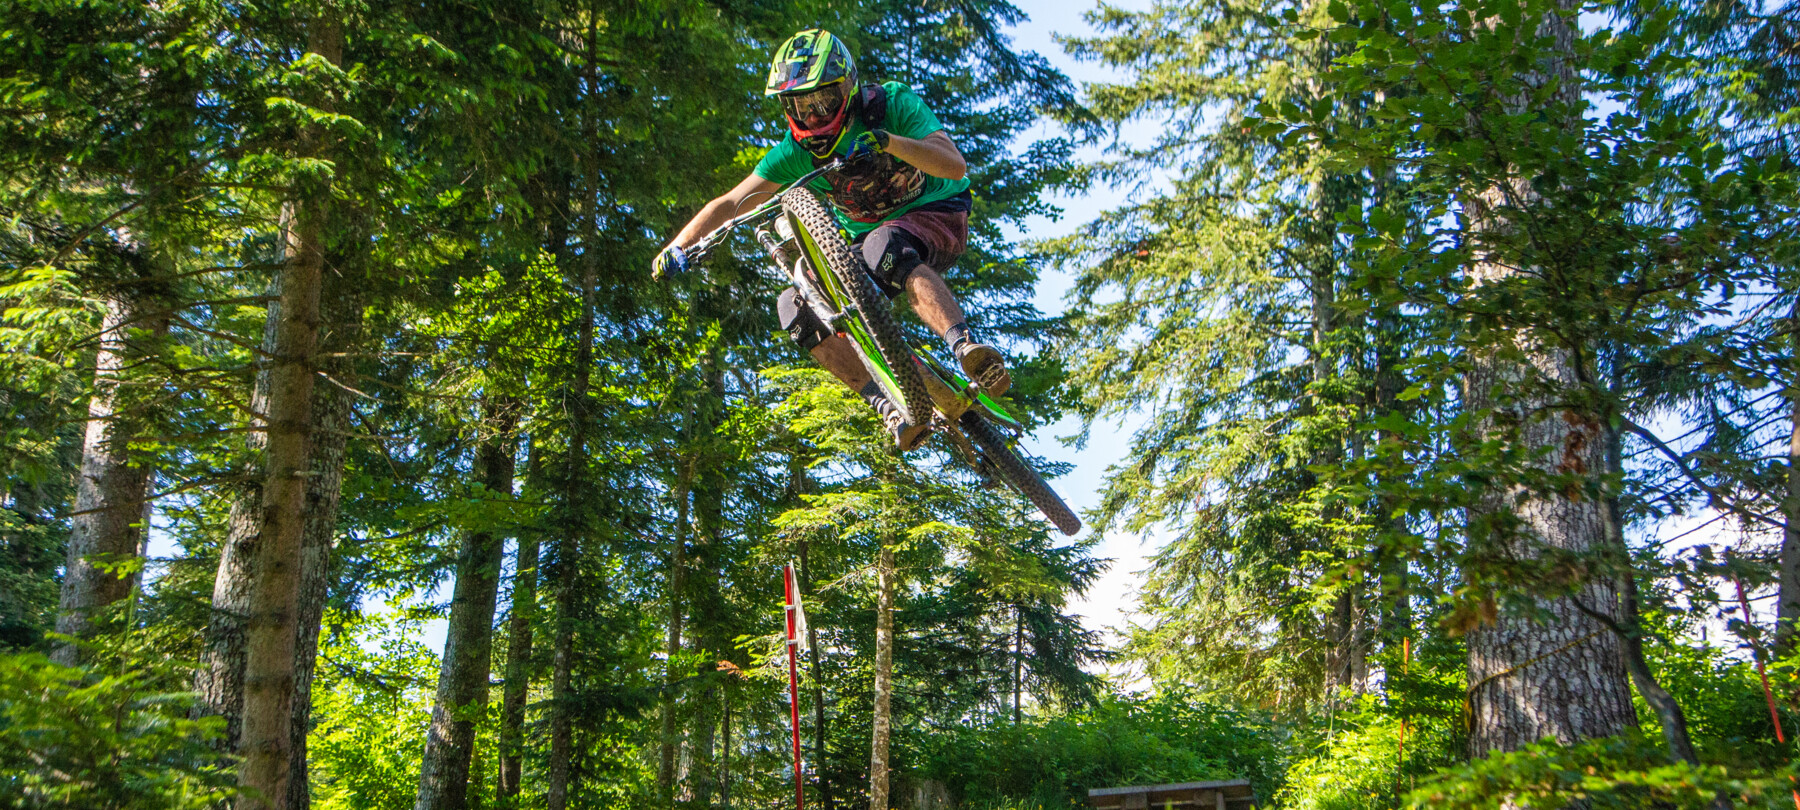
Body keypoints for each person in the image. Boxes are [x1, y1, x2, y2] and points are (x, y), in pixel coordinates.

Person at [653, 29, 1009, 451]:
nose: (814, 117)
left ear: (847, 87)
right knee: (796, 307)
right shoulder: (795, 152)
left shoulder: (889, 105)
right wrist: (679, 246)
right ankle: (887, 406)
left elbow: (953, 165)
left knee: (884, 245)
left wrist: (889, 142)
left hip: (938, 210)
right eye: (799, 107)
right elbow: (732, 201)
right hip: (871, 243)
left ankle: (965, 346)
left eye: (822, 102)